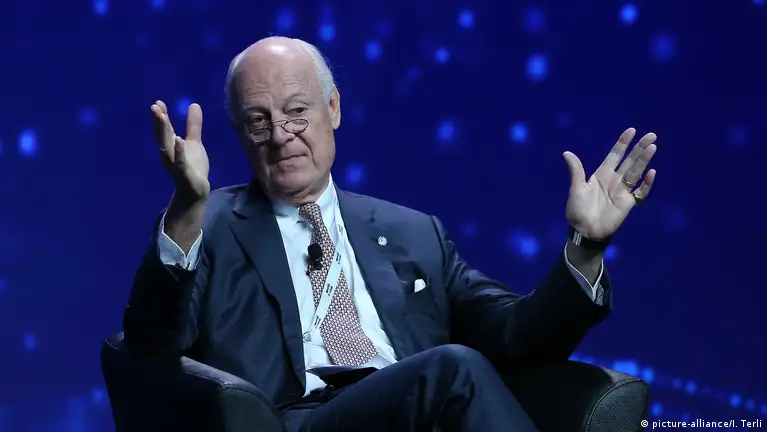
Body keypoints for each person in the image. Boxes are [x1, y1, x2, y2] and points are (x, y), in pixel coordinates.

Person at [124, 36, 658, 431]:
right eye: (258, 121)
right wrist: (187, 208)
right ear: (240, 134)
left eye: (297, 112)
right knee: (452, 370)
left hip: (418, 412)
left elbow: (518, 337)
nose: (281, 136)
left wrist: (587, 247)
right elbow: (151, 343)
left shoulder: (413, 232)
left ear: (333, 109)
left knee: (455, 375)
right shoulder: (207, 223)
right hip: (293, 420)